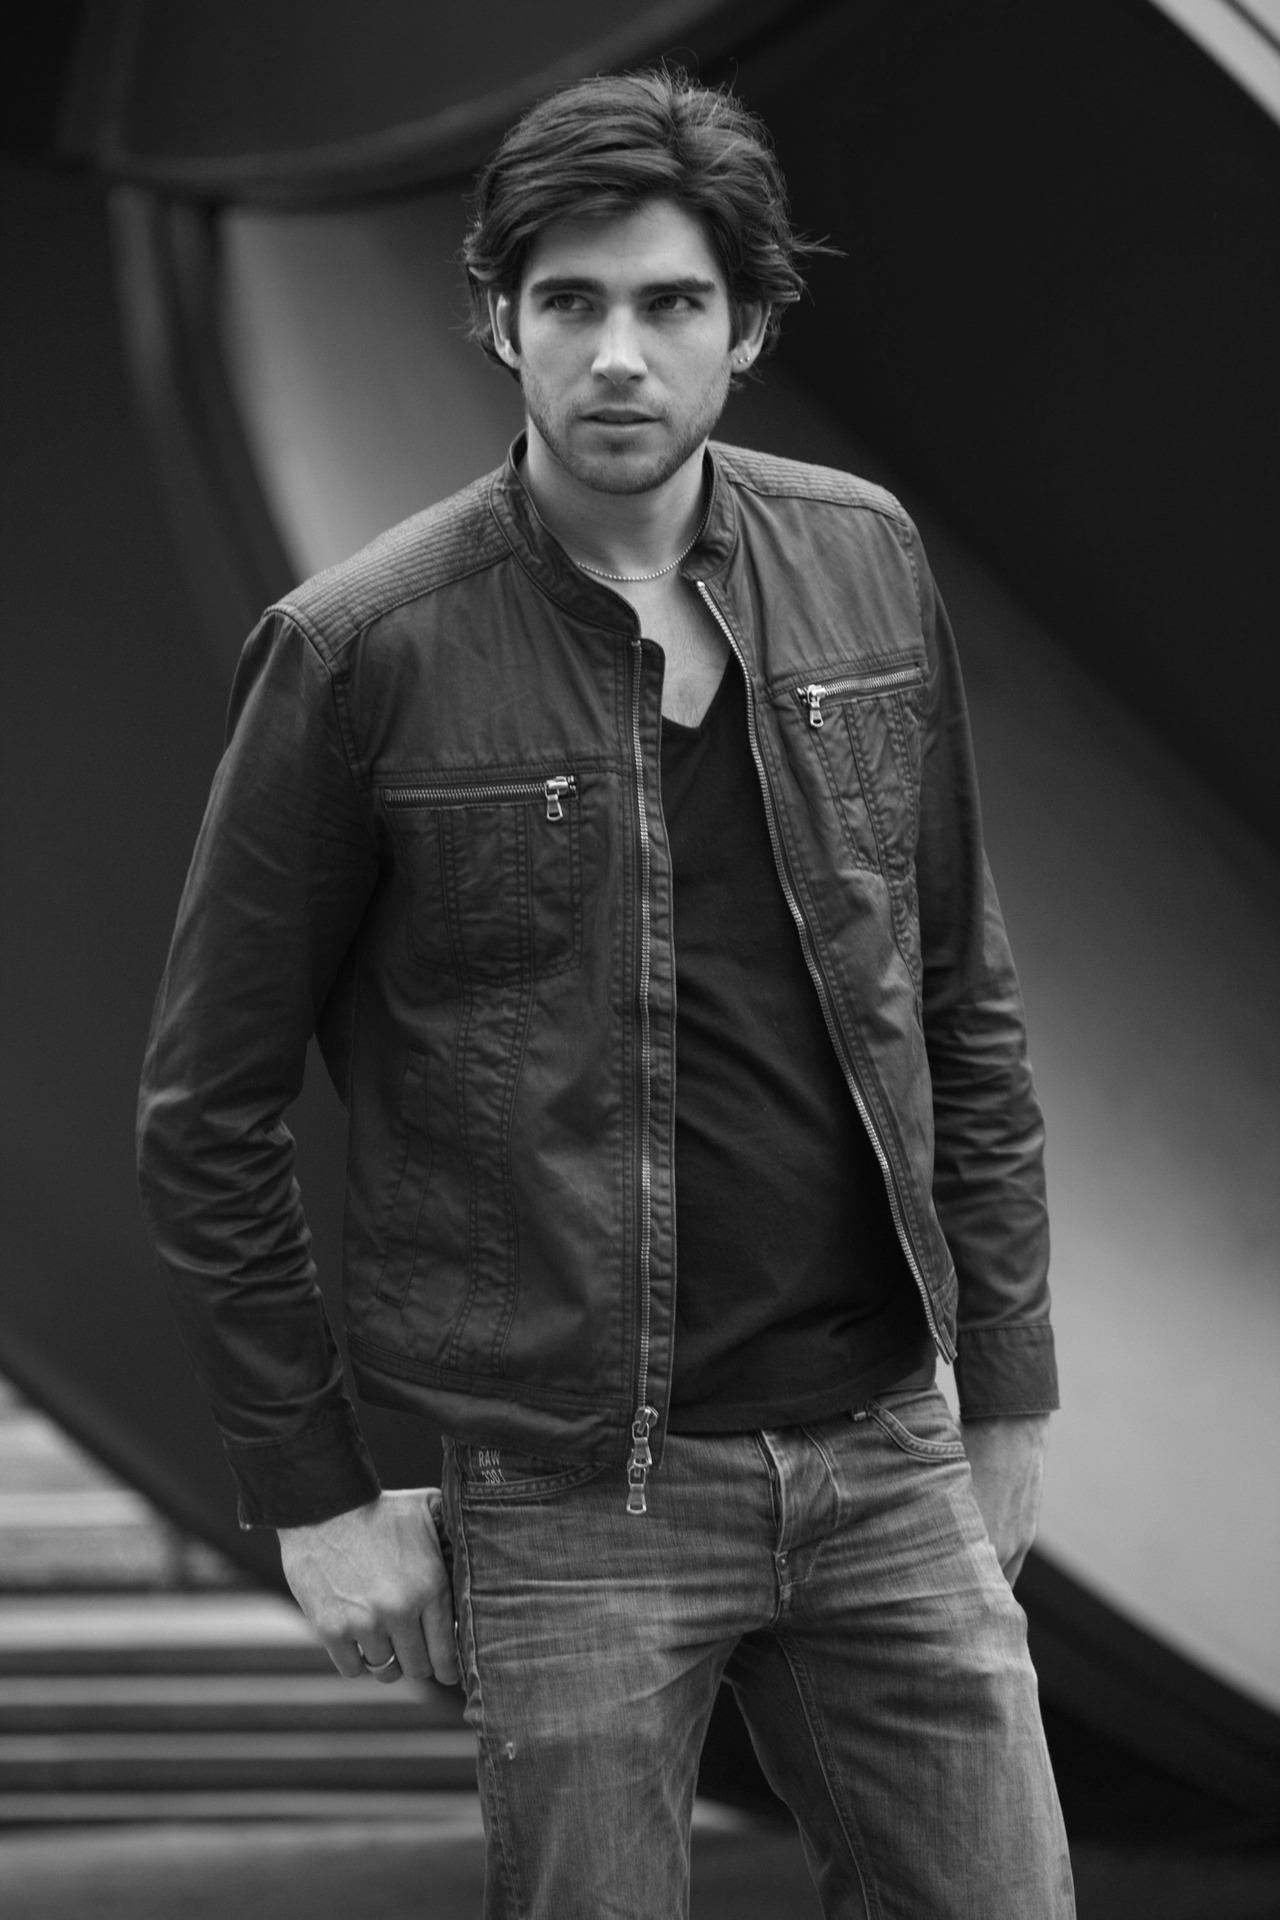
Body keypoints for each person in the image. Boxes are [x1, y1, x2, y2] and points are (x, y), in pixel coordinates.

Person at [138, 66, 1075, 1919]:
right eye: (569, 302)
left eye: (671, 303)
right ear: (501, 322)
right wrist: (317, 1491)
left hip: (886, 1452)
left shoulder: (864, 561)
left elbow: (961, 997)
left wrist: (1011, 1393)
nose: (620, 355)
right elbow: (205, 1110)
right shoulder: (360, 651)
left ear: (748, 327)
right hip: (576, 1500)